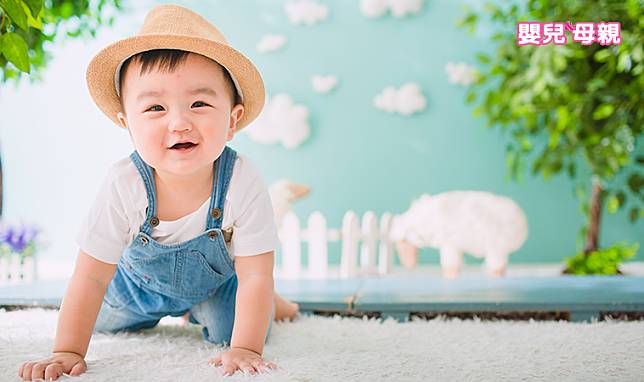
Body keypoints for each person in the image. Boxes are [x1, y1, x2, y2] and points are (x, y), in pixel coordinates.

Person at [18, 4, 299, 380]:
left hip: (213, 287)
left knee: (237, 326)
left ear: (232, 120)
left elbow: (254, 276)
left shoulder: (241, 179)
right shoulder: (124, 183)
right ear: (127, 124)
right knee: (100, 320)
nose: (179, 122)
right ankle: (173, 310)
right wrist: (67, 351)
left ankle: (273, 307)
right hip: (133, 289)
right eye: (155, 107)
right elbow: (90, 277)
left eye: (199, 103)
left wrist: (245, 348)